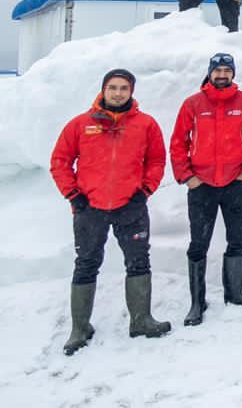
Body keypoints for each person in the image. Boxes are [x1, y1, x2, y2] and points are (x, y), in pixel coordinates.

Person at [49, 69, 170, 354]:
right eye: (113, 87)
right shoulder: (80, 124)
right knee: (86, 263)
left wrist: (144, 192)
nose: (118, 93)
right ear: (103, 90)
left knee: (139, 262)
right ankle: (80, 328)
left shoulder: (146, 124)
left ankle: (141, 321)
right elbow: (60, 161)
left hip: (131, 207)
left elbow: (156, 160)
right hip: (90, 209)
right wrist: (73, 195)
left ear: (132, 91)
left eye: (124, 88)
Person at [170, 53, 242, 326]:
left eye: (227, 70)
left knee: (238, 239)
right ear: (210, 73)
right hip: (201, 186)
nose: (222, 74)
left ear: (233, 73)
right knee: (198, 244)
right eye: (218, 70)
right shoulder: (193, 104)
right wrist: (187, 177)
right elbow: (178, 143)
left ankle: (235, 294)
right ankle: (197, 302)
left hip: (235, 184)